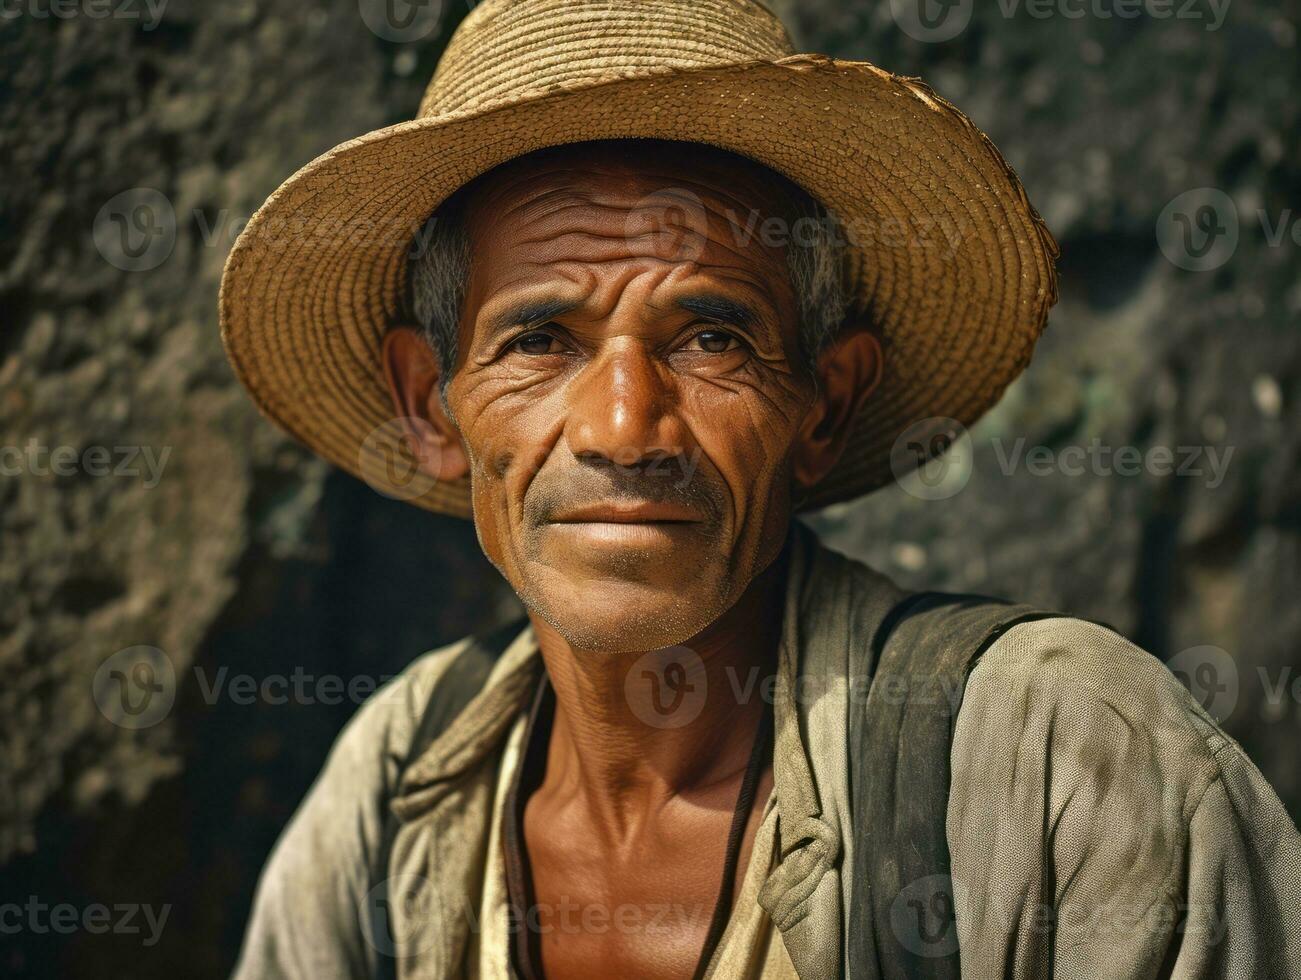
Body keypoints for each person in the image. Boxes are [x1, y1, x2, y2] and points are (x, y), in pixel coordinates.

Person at [219, 1, 1301, 977]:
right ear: (428, 404)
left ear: (821, 405)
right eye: (540, 339)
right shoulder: (397, 790)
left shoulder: (1058, 758)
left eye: (710, 337)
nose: (623, 427)